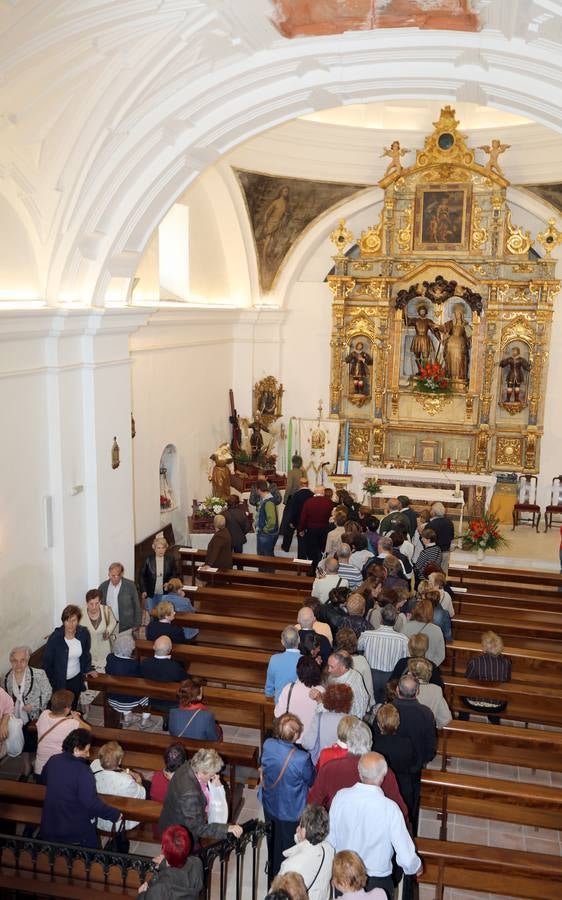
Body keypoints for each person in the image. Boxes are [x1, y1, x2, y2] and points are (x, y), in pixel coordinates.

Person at [328, 751, 422, 898]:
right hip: (378, 880)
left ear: (360, 773)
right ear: (382, 777)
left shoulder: (341, 797)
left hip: (345, 876)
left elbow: (330, 840)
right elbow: (406, 856)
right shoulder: (390, 808)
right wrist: (416, 866)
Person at [40, 728, 121, 847]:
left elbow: (43, 779)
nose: (88, 754)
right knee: (91, 859)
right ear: (76, 749)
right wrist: (114, 814)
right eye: (86, 750)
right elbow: (90, 803)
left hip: (50, 824)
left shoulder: (53, 760)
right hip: (74, 832)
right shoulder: (83, 771)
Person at [260, 713, 315, 881]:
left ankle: (272, 875)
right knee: (288, 848)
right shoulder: (302, 758)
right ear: (295, 736)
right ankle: (285, 880)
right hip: (291, 810)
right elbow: (311, 779)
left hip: (270, 804)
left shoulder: (268, 744)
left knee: (273, 842)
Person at [159, 747, 243, 841]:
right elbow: (197, 828)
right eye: (211, 775)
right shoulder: (190, 795)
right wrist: (226, 828)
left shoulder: (191, 764)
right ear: (201, 773)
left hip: (175, 818)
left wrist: (215, 786)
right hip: (178, 834)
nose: (214, 777)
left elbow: (201, 789)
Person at [4, 645, 52, 770]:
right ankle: (26, 766)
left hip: (35, 716)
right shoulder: (7, 678)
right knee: (23, 739)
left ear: (28, 660)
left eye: (22, 660)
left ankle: (37, 762)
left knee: (35, 741)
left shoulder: (38, 674)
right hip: (17, 716)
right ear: (11, 661)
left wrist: (34, 705)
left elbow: (48, 692)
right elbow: (7, 699)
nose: (18, 664)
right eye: (15, 661)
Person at [372, 704, 418, 826]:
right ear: (397, 723)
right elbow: (413, 764)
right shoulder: (406, 743)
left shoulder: (374, 744)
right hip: (403, 785)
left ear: (378, 723)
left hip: (381, 786)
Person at [43, 604, 97, 706]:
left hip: (76, 679)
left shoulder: (83, 633)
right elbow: (47, 662)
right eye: (67, 620)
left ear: (78, 620)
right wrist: (53, 680)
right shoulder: (55, 638)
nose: (70, 624)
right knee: (61, 709)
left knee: (73, 706)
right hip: (59, 682)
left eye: (74, 620)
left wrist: (88, 668)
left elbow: (85, 654)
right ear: (63, 621)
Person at [278, 804, 334, 900]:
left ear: (303, 831)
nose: (297, 828)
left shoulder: (290, 865)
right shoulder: (329, 850)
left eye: (300, 824)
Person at [90, 740, 146, 837]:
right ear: (119, 761)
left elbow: (114, 769)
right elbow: (140, 795)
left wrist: (128, 771)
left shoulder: (94, 765)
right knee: (147, 787)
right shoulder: (125, 781)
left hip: (99, 817)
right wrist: (139, 781)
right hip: (118, 821)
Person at [35, 688, 91, 777]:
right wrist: (77, 718)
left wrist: (68, 718)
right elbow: (88, 729)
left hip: (39, 770)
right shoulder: (72, 724)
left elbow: (56, 719)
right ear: (67, 709)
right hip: (58, 770)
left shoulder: (44, 714)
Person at [358, 605, 409, 703]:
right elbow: (406, 658)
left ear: (381, 618)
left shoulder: (367, 635)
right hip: (391, 677)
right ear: (395, 620)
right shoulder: (403, 639)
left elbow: (358, 648)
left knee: (372, 702)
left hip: (371, 676)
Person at [459, 630, 512, 724]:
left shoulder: (475, 662)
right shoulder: (506, 663)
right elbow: (507, 681)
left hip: (474, 702)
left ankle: (463, 717)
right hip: (497, 705)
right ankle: (495, 720)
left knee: (462, 691)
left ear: (484, 646)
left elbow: (467, 680)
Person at [138, 824, 204, 899]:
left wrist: (141, 894)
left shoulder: (159, 887)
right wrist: (164, 864)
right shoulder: (197, 863)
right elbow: (179, 876)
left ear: (164, 851)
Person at [105, 633, 151, 727]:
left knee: (123, 687)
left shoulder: (110, 658)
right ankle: (145, 720)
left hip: (112, 697)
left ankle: (127, 716)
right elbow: (141, 680)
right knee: (150, 693)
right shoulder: (133, 664)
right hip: (128, 701)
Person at [301, 684, 354, 765]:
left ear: (326, 698)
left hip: (322, 763)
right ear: (348, 702)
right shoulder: (353, 721)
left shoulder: (319, 718)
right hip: (344, 764)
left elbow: (307, 743)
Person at [139, 636, 187, 719]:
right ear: (170, 650)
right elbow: (185, 680)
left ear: (154, 647)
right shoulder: (174, 666)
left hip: (152, 699)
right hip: (171, 702)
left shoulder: (145, 663)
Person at [334, 627, 374, 712]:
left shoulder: (334, 660)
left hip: (339, 706)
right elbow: (368, 687)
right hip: (359, 706)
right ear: (355, 642)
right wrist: (370, 706)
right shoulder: (362, 661)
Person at [322, 651, 369, 720]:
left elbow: (363, 701)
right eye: (328, 666)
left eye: (332, 667)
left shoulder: (346, 685)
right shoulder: (354, 673)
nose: (329, 670)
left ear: (343, 667)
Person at [98, 562, 142, 634]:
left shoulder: (130, 585)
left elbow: (136, 605)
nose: (116, 578)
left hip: (126, 626)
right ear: (109, 574)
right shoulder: (103, 587)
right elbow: (100, 606)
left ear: (122, 574)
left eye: (118, 575)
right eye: (113, 575)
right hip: (109, 625)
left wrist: (137, 623)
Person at [139, 535, 180, 610]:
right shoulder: (148, 560)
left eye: (163, 548)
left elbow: (174, 574)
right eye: (158, 548)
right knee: (152, 613)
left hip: (165, 592)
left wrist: (169, 583)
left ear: (166, 548)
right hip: (151, 592)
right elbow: (142, 576)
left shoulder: (170, 559)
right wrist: (144, 590)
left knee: (163, 613)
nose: (161, 550)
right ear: (154, 548)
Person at [400, 598, 445, 666]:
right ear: (431, 612)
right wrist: (429, 667)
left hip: (409, 666)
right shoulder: (437, 630)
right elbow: (441, 655)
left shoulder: (406, 626)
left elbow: (401, 650)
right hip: (428, 668)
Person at [407, 659, 451, 728]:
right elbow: (445, 719)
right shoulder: (436, 690)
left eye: (409, 671)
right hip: (426, 732)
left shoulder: (406, 687)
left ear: (413, 674)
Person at [299, 486, 335, 571]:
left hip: (311, 530)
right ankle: (323, 569)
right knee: (323, 550)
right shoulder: (329, 502)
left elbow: (303, 517)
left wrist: (301, 529)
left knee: (312, 550)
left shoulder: (308, 502)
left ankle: (312, 570)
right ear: (323, 492)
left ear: (315, 492)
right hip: (324, 530)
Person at [82, 588, 118, 672]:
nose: (94, 607)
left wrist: (108, 631)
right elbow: (72, 625)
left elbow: (113, 622)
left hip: (104, 650)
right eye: (91, 604)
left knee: (105, 674)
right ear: (87, 603)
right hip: (89, 651)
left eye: (96, 603)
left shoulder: (106, 610)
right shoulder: (81, 613)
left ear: (100, 601)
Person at [265, 626, 302, 703]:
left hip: (279, 702)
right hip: (298, 702)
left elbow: (270, 683)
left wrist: (269, 694)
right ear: (299, 640)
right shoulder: (305, 660)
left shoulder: (274, 659)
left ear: (282, 642)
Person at [289, 478, 314, 557]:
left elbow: (293, 510)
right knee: (309, 543)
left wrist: (292, 521)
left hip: (299, 522)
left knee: (301, 544)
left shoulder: (296, 495)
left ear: (299, 484)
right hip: (310, 524)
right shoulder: (312, 494)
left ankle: (301, 562)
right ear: (307, 484)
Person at [256, 478, 280, 559]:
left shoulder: (268, 502)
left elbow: (272, 521)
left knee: (265, 558)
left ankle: (267, 572)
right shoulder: (266, 499)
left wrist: (264, 530)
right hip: (268, 534)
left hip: (267, 534)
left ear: (259, 489)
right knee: (267, 556)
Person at [428, 503, 455, 573]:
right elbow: (452, 537)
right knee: (443, 573)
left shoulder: (431, 524)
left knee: (433, 574)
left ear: (434, 512)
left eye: (431, 510)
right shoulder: (449, 522)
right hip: (446, 551)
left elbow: (427, 539)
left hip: (434, 553)